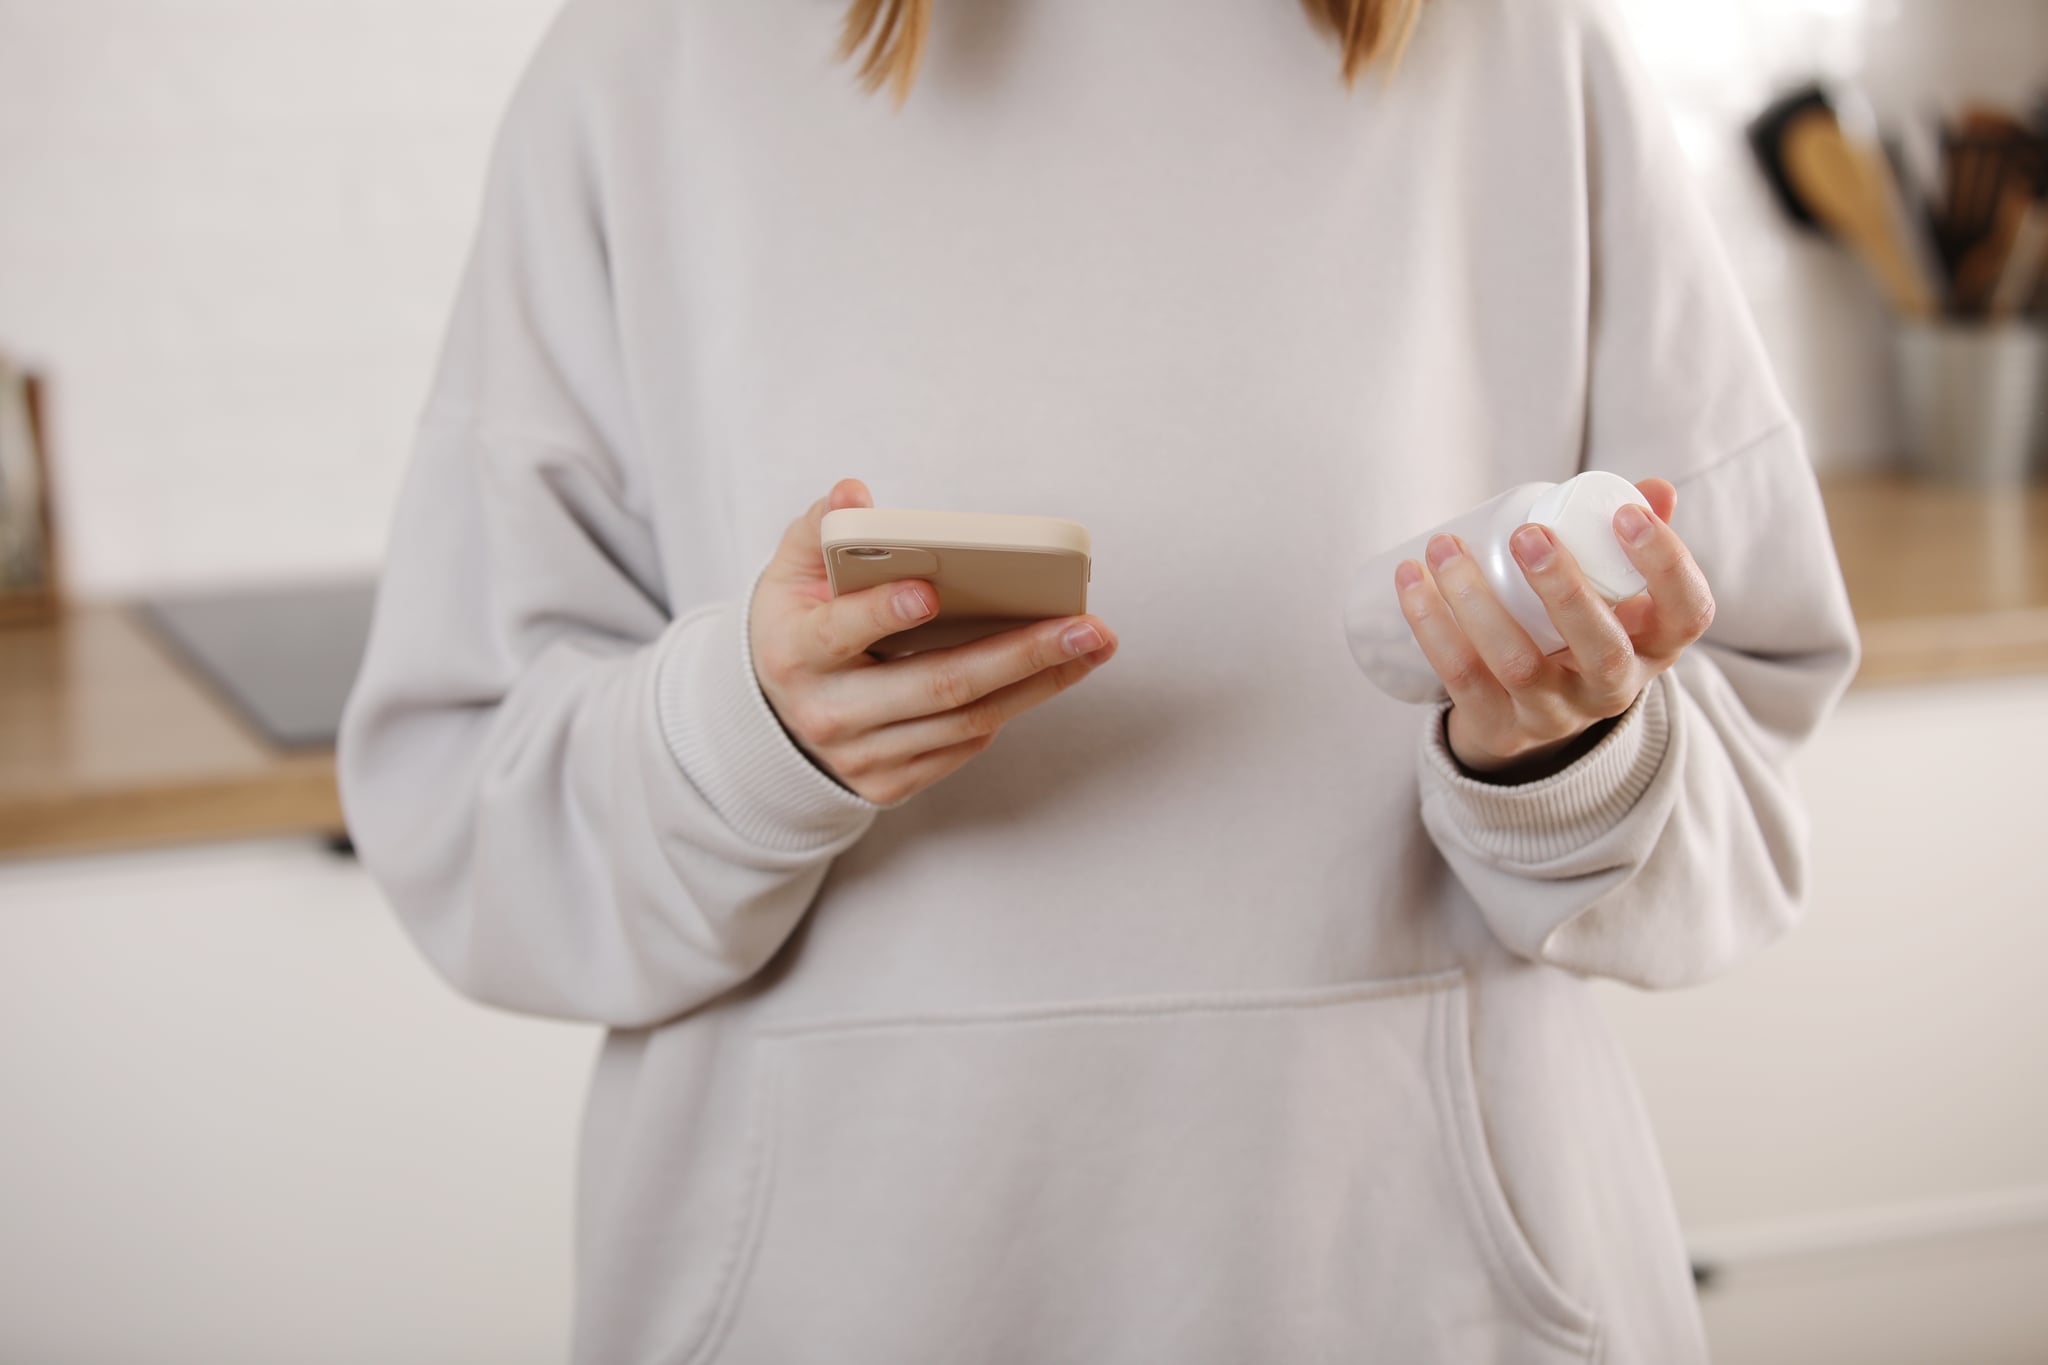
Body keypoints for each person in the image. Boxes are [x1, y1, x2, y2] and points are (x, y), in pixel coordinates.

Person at [337, 0, 1860, 1359]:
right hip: (840, 1299)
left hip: (1416, 1296)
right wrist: (741, 738)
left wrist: (1563, 761)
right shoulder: (642, 61)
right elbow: (468, 815)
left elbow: (1745, 751)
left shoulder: (1525, 51)